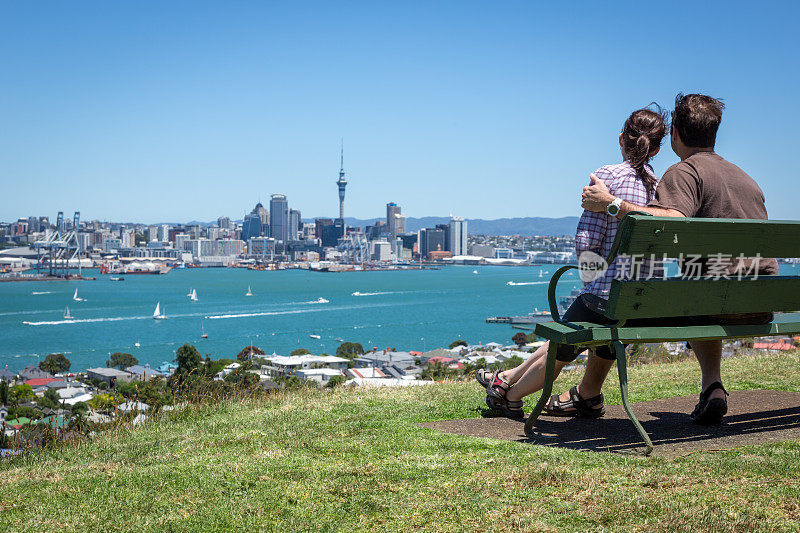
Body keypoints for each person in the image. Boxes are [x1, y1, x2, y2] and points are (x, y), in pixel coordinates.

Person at [569, 93, 778, 425]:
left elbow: (669, 220)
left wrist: (612, 204)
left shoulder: (684, 172)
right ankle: (712, 388)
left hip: (713, 301)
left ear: (676, 134)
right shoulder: (746, 179)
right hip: (760, 299)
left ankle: (570, 392)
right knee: (700, 286)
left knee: (691, 295)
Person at [475, 105, 669, 419]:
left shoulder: (607, 176)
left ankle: (508, 394)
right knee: (592, 325)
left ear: (621, 138)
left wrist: (589, 271)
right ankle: (510, 380)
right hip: (642, 301)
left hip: (606, 296)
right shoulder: (659, 186)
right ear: (657, 149)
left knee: (563, 341)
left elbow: (587, 242)